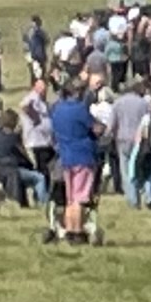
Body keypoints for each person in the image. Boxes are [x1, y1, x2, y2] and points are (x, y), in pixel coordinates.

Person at [45, 77, 106, 244]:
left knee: (70, 197)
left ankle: (69, 229)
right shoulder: (79, 109)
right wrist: (101, 128)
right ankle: (77, 231)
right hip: (82, 155)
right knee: (80, 196)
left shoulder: (57, 109)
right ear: (77, 92)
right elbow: (95, 128)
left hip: (65, 156)